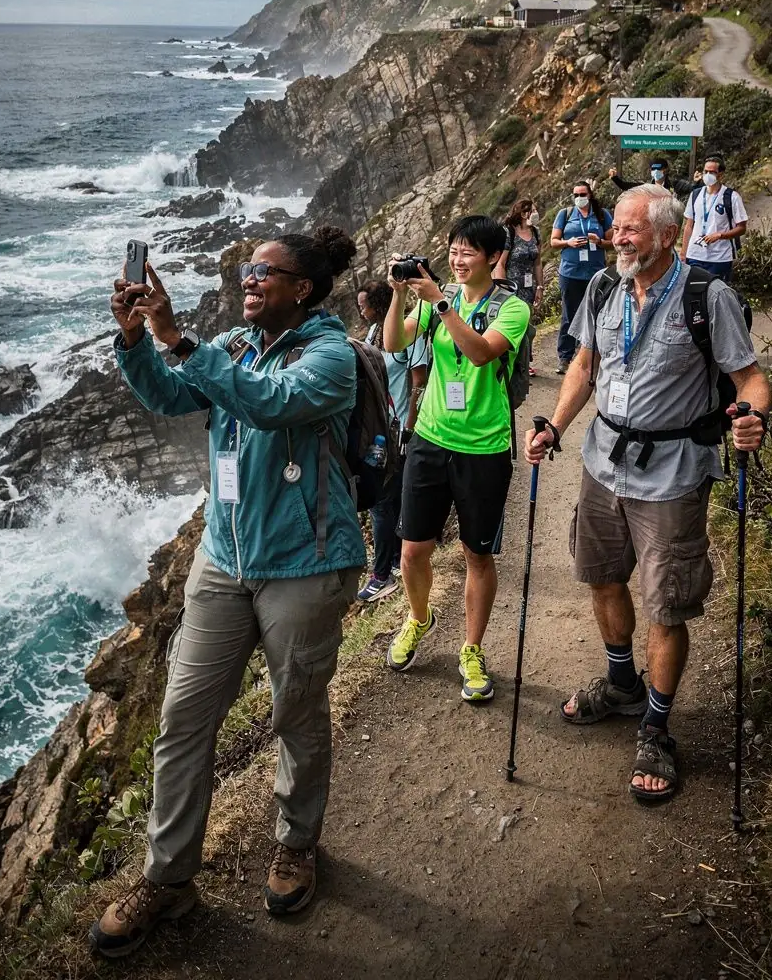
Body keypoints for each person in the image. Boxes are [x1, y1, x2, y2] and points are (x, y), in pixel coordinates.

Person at [91, 227, 366, 958]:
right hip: (224, 560)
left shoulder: (332, 357)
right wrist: (136, 342)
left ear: (300, 289)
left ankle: (296, 844)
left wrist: (180, 336)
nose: (248, 279)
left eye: (262, 272)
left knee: (295, 711)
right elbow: (169, 393)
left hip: (304, 566)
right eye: (247, 269)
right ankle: (168, 878)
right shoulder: (234, 346)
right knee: (183, 719)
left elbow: (270, 404)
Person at [525, 184, 769, 805]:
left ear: (665, 235)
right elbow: (585, 364)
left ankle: (657, 727)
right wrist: (555, 423)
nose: (617, 237)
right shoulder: (605, 288)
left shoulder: (706, 297)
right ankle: (622, 684)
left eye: (631, 230)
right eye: (617, 228)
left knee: (667, 604)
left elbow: (751, 380)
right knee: (601, 576)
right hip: (602, 462)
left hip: (672, 476)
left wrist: (750, 416)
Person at [382, 215, 529, 702]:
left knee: (476, 554)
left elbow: (483, 353)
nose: (457, 259)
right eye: (452, 250)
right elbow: (393, 343)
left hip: (484, 448)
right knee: (412, 550)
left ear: (493, 257)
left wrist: (441, 304)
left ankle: (471, 648)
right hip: (430, 439)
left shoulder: (512, 307)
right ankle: (419, 617)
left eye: (468, 252)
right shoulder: (433, 302)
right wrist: (401, 295)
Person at [356, 280, 429, 603]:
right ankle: (398, 561)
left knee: (381, 504)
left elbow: (419, 383)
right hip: (380, 428)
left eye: (365, 304)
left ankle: (382, 574)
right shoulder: (374, 333)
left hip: (400, 428)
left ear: (378, 305)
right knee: (389, 497)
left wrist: (410, 428)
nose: (361, 309)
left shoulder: (408, 335)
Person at [551, 181, 613, 375]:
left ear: (590, 194)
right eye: (576, 194)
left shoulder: (602, 215)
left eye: (583, 194)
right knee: (569, 314)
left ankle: (589, 355)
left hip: (595, 272)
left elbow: (612, 242)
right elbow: (553, 241)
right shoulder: (565, 214)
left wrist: (600, 241)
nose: (579, 198)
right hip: (570, 272)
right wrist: (567, 242)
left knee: (595, 314)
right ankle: (565, 356)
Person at [493, 198, 543, 377]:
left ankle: (525, 360)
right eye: (533, 210)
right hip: (511, 287)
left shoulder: (536, 233)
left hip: (528, 288)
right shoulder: (509, 233)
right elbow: (500, 263)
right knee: (513, 325)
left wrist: (540, 287)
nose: (535, 213)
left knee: (527, 326)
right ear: (523, 213)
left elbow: (537, 262)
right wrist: (502, 289)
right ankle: (509, 361)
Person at [681, 153, 748, 281]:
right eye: (706, 171)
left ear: (720, 174)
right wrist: (684, 253)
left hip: (720, 257)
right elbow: (689, 225)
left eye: (712, 172)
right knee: (694, 294)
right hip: (695, 255)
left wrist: (720, 235)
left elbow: (742, 228)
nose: (708, 175)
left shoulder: (732, 197)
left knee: (716, 295)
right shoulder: (695, 195)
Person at [608, 157, 698, 200]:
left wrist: (698, 182)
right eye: (653, 169)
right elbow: (625, 186)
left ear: (665, 170)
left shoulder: (675, 184)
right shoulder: (647, 186)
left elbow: (693, 188)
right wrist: (615, 178)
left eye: (658, 169)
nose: (656, 171)